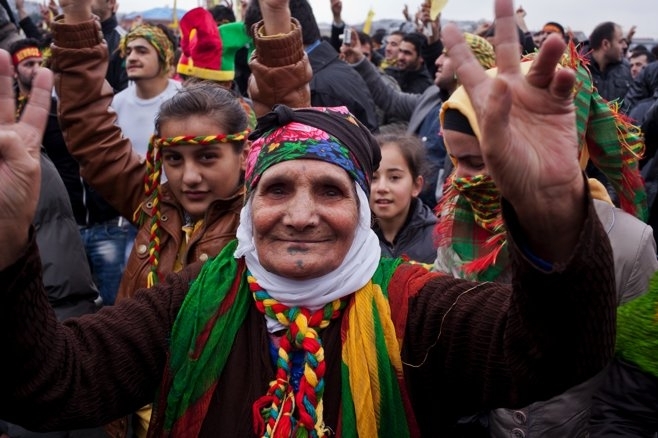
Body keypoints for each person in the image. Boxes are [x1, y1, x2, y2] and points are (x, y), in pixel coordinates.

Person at [0, 0, 619, 436]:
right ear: (248, 206)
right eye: (276, 190)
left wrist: (551, 218)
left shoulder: (416, 304)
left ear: (360, 202)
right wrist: (6, 257)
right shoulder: (190, 301)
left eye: (328, 189)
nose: (300, 216)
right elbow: (53, 382)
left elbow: (554, 354)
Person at [432, 55, 655, 437]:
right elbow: (445, 349)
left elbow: (636, 380)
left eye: (481, 162)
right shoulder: (460, 234)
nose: (463, 180)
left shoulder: (629, 243)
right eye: (457, 160)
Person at [371, 134, 437, 264]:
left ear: (416, 185)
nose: (382, 188)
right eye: (373, 178)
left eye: (394, 177)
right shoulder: (354, 240)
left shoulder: (439, 240)